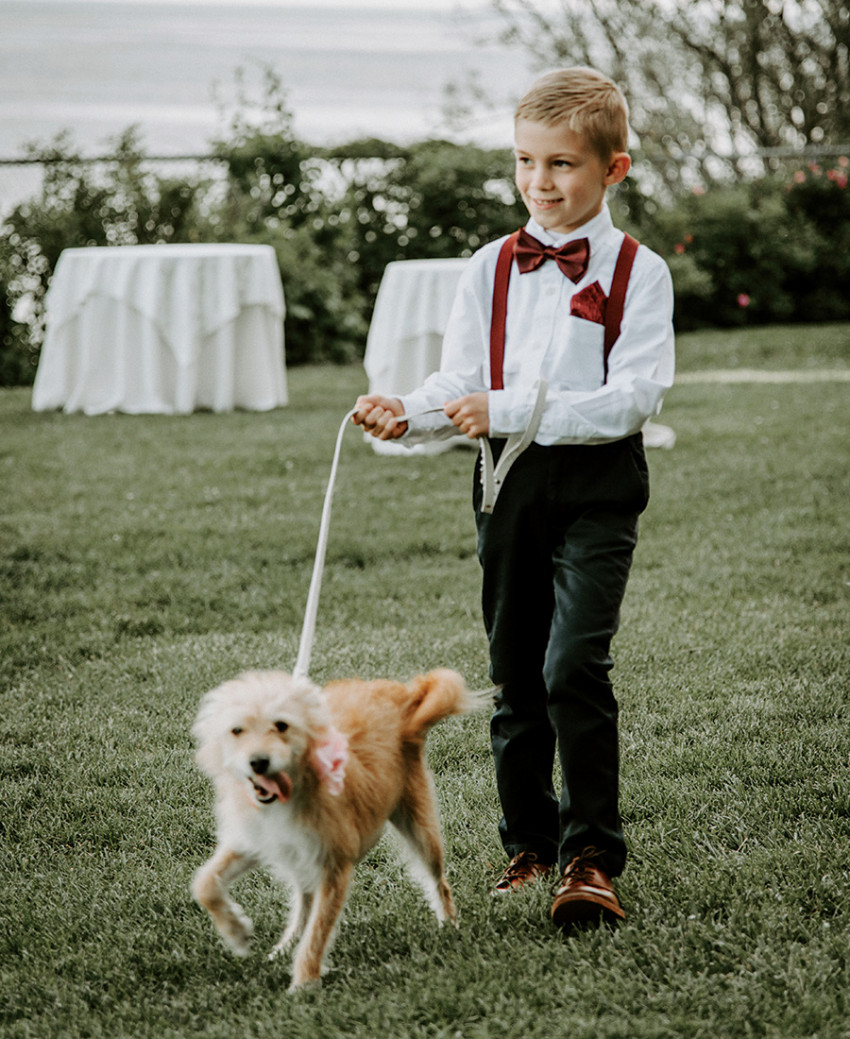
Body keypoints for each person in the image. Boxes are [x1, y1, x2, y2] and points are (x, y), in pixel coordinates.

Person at [352, 66, 674, 930]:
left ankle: (592, 857)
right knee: (516, 671)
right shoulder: (489, 265)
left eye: (563, 164)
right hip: (505, 484)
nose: (541, 182)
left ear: (614, 169)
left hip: (600, 487)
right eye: (527, 162)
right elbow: (458, 379)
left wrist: (510, 408)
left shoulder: (640, 273)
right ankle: (528, 845)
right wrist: (405, 412)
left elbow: (633, 398)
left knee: (575, 664)